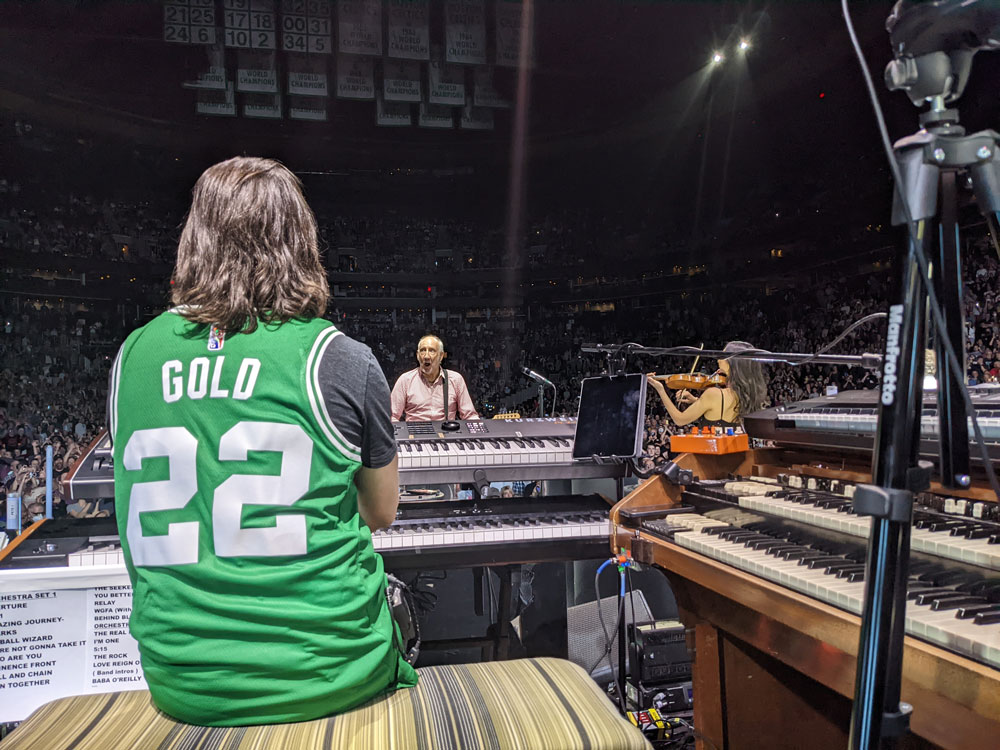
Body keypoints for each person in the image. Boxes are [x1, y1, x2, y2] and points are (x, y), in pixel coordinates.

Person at [108, 157, 416, 727]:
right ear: (299, 242)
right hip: (334, 673)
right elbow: (381, 513)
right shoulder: (340, 358)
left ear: (195, 240)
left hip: (184, 685)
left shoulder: (132, 357)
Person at [647, 341, 767, 428]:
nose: (718, 360)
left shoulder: (714, 394)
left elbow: (680, 420)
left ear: (732, 364)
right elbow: (719, 410)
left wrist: (660, 390)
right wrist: (695, 401)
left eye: (722, 356)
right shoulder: (750, 395)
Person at [390, 334, 480, 421]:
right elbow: (392, 416)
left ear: (441, 356)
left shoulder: (456, 380)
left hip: (445, 431)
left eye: (432, 351)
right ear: (417, 355)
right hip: (415, 431)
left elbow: (470, 416)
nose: (426, 356)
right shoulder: (405, 380)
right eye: (423, 350)